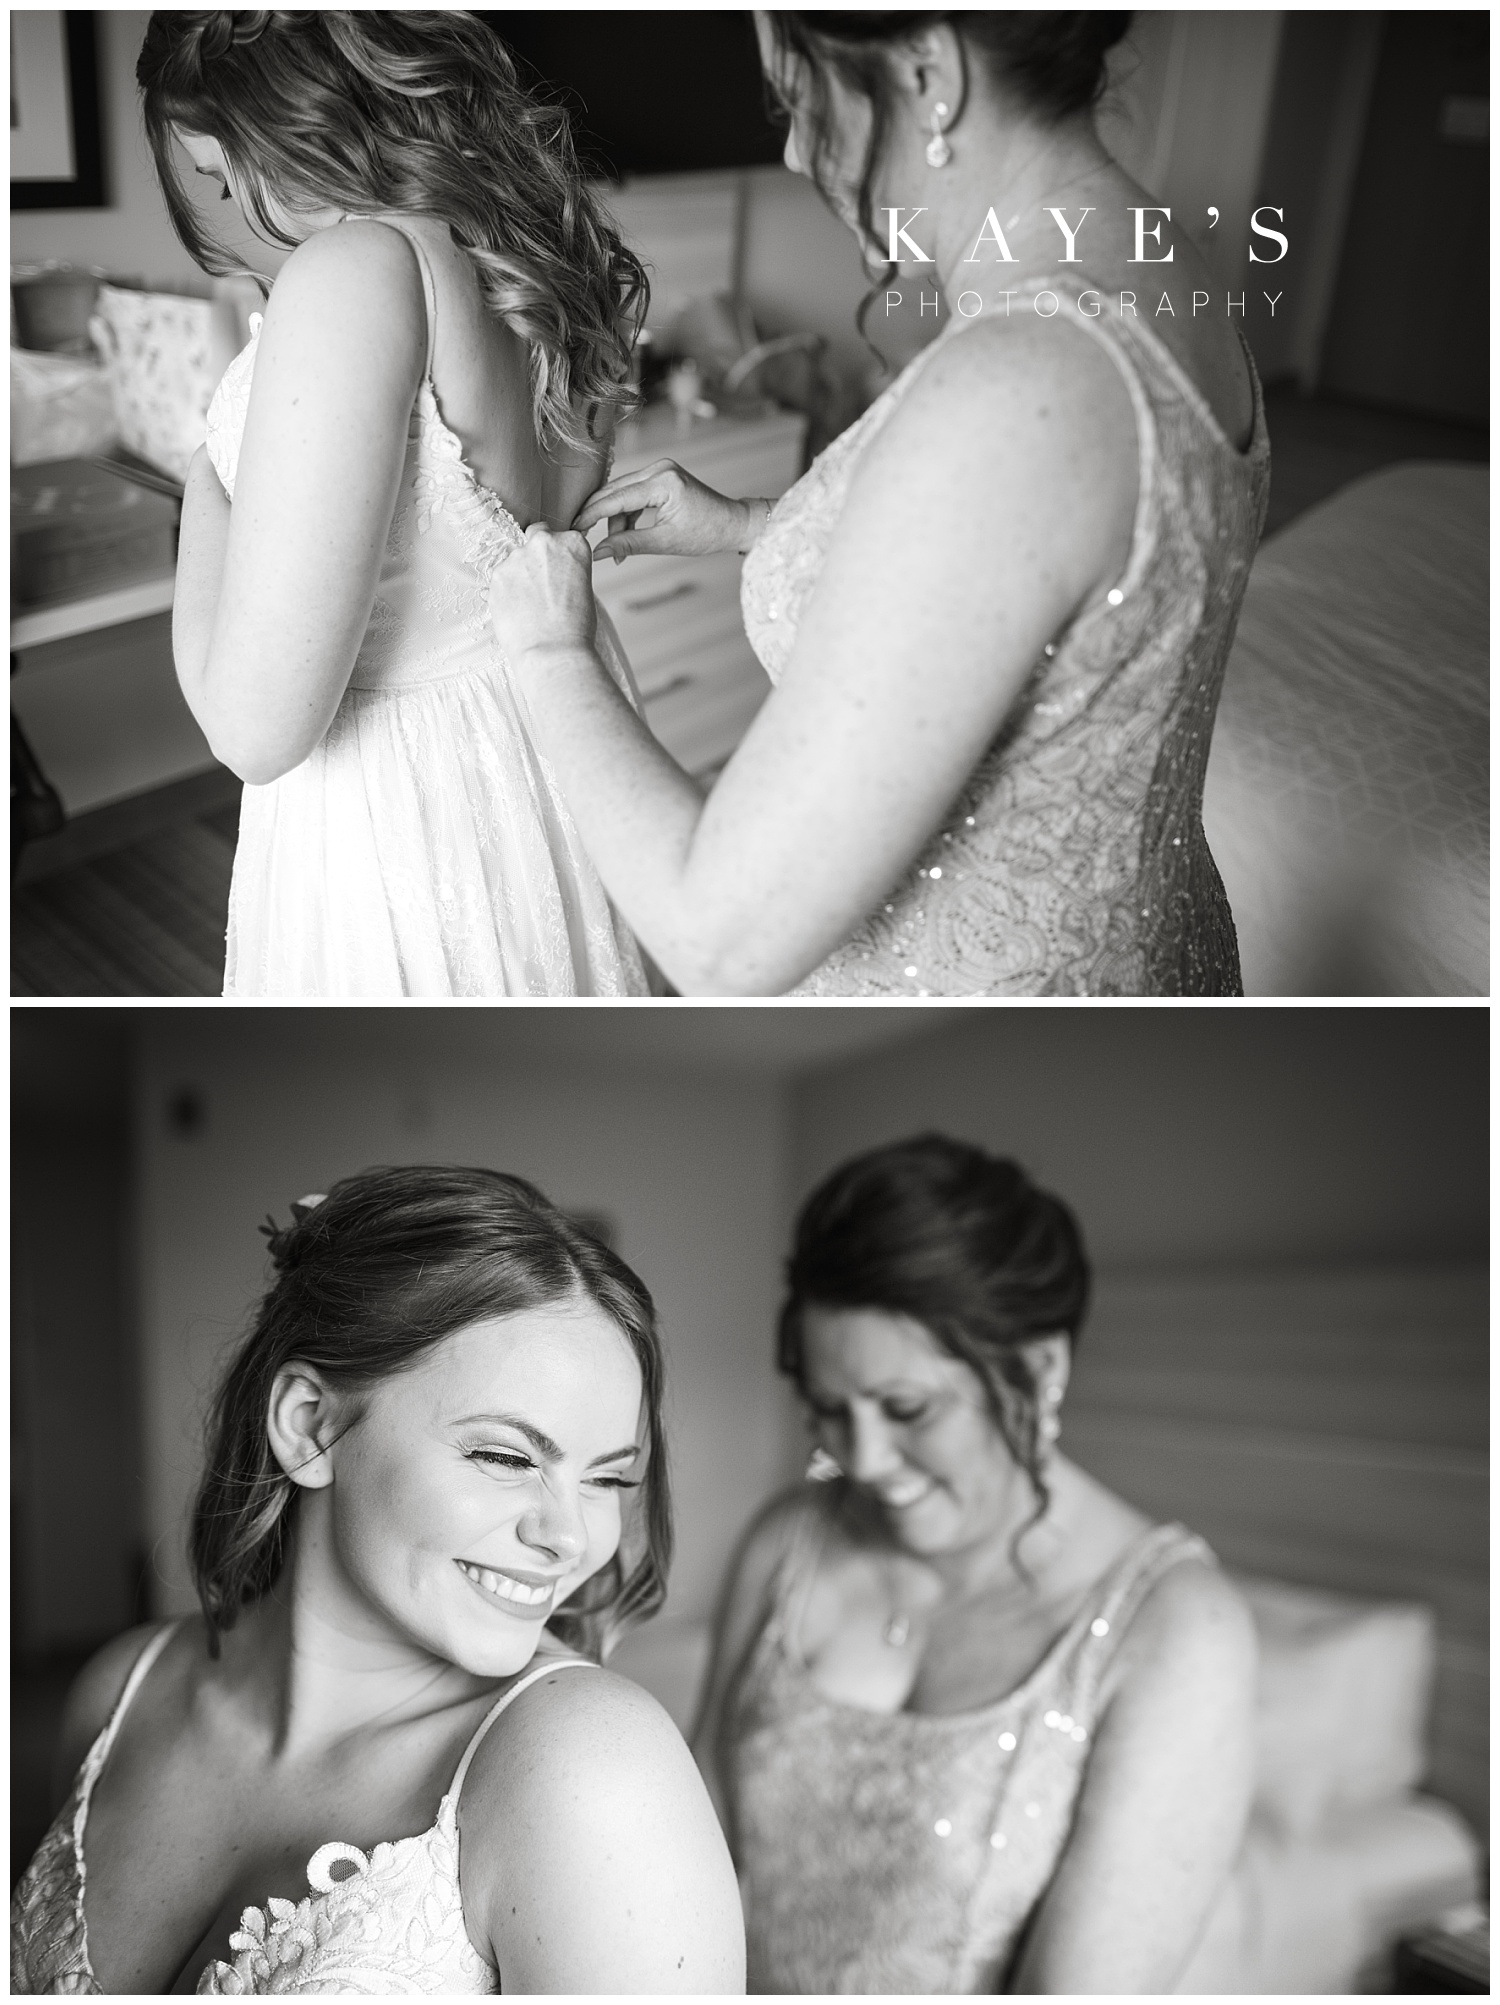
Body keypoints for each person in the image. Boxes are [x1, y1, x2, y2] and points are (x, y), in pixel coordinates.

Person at [489, 12, 1270, 996]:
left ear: (929, 70)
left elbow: (719, 935)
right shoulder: (1167, 273)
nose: (789, 144)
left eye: (798, 95)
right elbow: (1033, 591)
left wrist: (550, 655)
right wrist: (749, 526)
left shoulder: (1021, 384)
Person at [11, 1167, 744, 1995]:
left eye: (609, 1478)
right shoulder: (117, 1695)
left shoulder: (591, 1770)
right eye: (506, 1457)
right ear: (310, 1427)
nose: (571, 1538)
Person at [140, 12, 651, 995]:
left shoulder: (358, 272)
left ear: (288, 116)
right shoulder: (539, 250)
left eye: (223, 170)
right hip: (542, 745)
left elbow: (252, 729)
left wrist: (209, 477)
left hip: (403, 804)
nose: (242, 203)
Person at [691, 1134, 1256, 1992]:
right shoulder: (787, 1540)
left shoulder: (1177, 1628)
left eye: (906, 1407)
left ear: (1039, 1369)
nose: (865, 1459)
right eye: (829, 1412)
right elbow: (689, 1853)